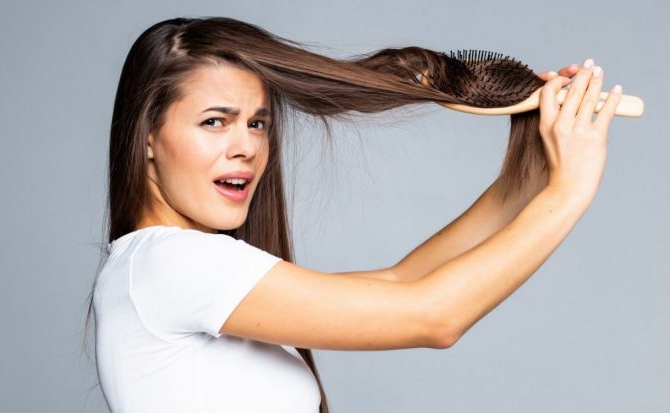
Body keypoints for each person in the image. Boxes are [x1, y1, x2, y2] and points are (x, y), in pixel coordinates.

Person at [84, 16, 623, 413]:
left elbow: (403, 281)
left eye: (258, 123)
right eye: (214, 122)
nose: (246, 147)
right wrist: (571, 188)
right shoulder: (169, 263)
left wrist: (526, 175)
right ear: (147, 135)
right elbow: (434, 316)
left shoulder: (173, 270)